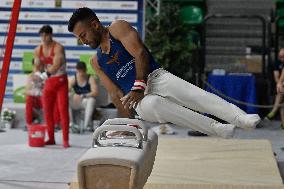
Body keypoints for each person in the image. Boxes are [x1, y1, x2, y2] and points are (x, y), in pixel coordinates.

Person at [68, 7, 261, 138]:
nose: (82, 41)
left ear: (94, 25)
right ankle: (218, 129)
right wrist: (128, 124)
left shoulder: (117, 28)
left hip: (155, 78)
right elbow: (116, 95)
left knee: (196, 95)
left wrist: (139, 86)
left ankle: (240, 118)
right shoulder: (96, 62)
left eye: (83, 35)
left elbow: (140, 53)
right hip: (140, 101)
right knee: (155, 104)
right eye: (79, 38)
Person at [34, 25, 70, 148]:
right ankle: (51, 138)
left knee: (63, 110)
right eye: (42, 35)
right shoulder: (38, 50)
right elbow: (37, 66)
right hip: (49, 83)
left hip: (60, 82)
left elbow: (56, 66)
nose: (43, 38)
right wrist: (37, 72)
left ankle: (65, 139)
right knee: (47, 111)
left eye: (46, 35)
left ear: (51, 35)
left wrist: (43, 76)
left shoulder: (58, 48)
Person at [25, 59, 60, 126]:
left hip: (45, 98)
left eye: (40, 65)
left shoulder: (47, 75)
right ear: (34, 66)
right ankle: (29, 123)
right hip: (36, 99)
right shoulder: (30, 76)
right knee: (29, 98)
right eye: (37, 66)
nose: (39, 67)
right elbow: (27, 91)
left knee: (55, 99)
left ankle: (56, 124)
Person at [68, 61, 98, 132]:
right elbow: (66, 90)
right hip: (75, 102)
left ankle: (86, 125)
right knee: (67, 97)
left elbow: (95, 92)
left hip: (85, 101)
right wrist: (73, 94)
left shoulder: (90, 78)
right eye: (79, 71)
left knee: (92, 100)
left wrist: (83, 95)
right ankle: (71, 123)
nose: (81, 73)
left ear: (85, 70)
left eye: (83, 71)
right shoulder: (73, 78)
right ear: (77, 70)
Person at [266, 49, 284, 128]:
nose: (281, 58)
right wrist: (279, 84)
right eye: (280, 57)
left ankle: (274, 111)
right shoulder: (277, 63)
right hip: (281, 86)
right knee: (281, 100)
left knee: (280, 94)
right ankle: (283, 124)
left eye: (283, 56)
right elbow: (276, 77)